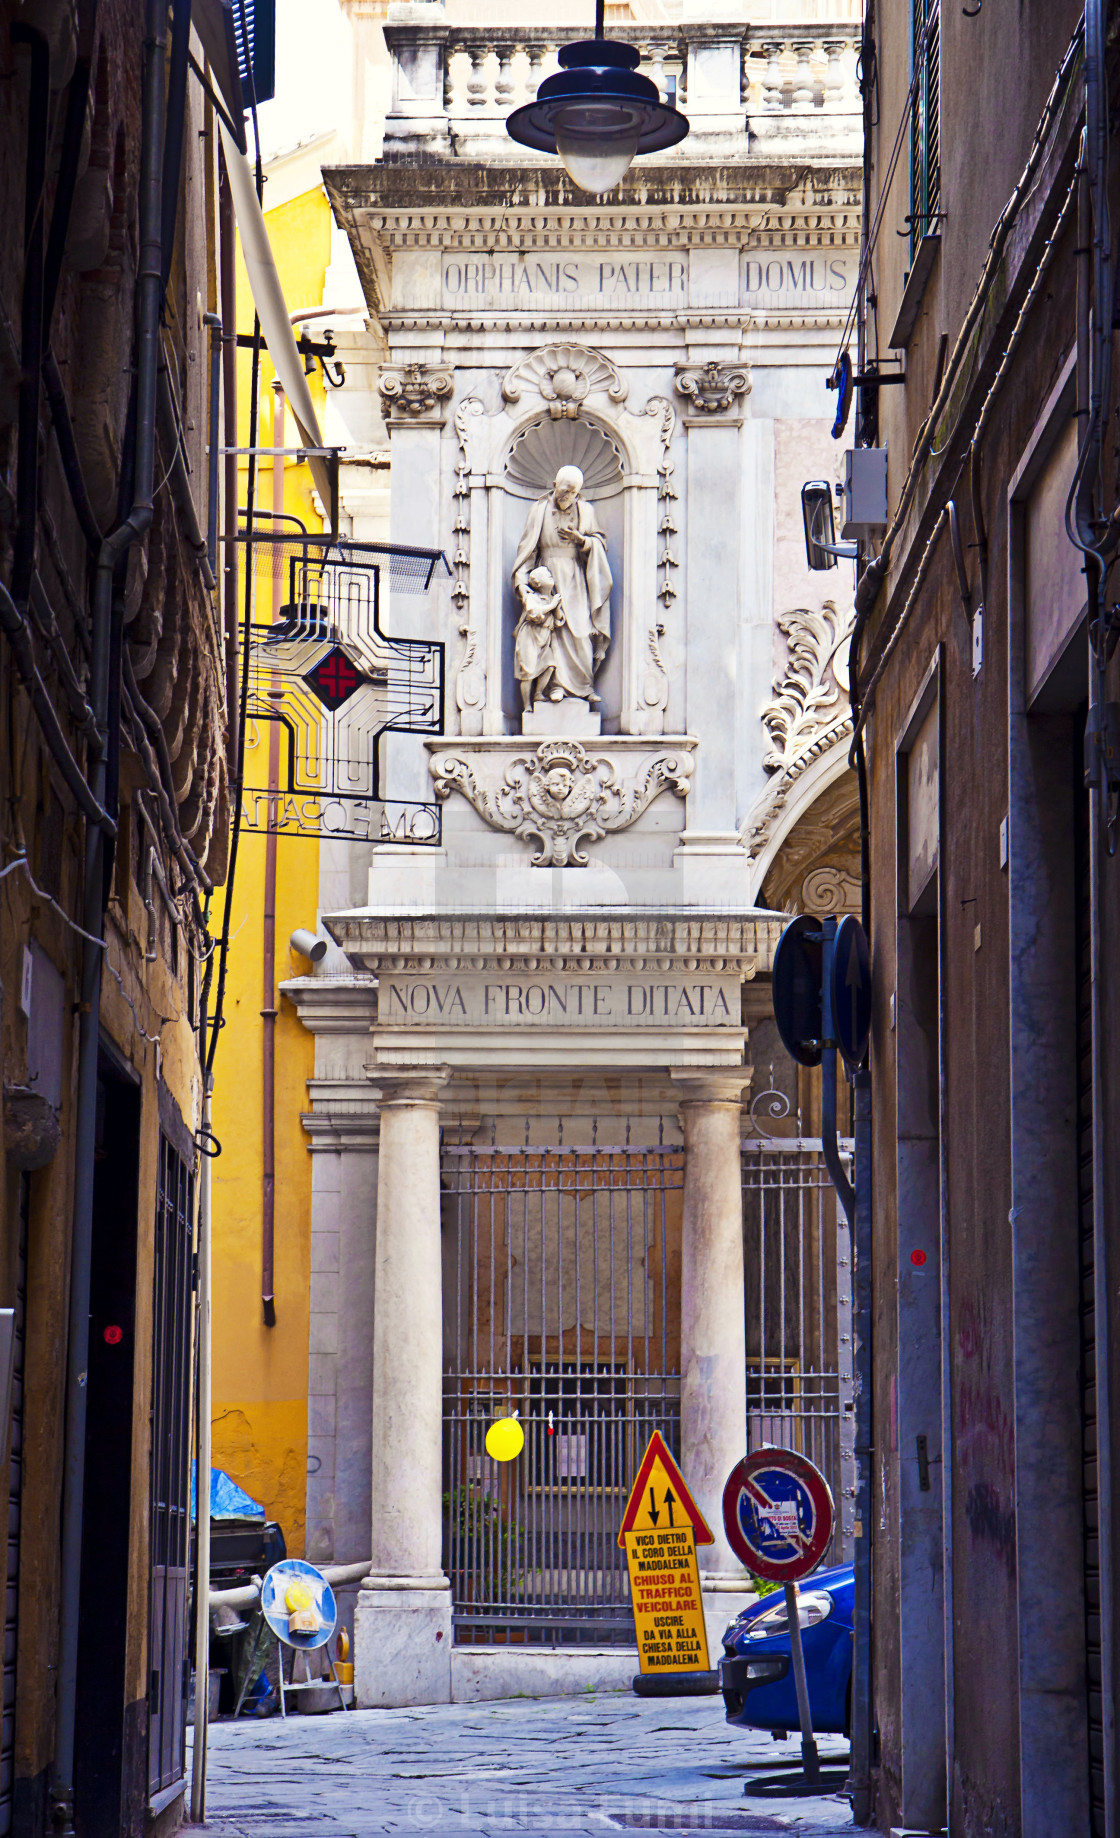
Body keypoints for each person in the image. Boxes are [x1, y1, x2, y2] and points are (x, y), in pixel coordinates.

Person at [512, 465, 612, 705]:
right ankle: (554, 686)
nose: (567, 497)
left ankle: (584, 686)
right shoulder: (539, 511)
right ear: (555, 486)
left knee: (580, 630)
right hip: (547, 577)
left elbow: (600, 543)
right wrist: (522, 584)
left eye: (573, 493)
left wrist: (583, 541)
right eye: (564, 491)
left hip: (577, 577)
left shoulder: (586, 511)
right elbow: (528, 549)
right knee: (551, 633)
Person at [513, 564, 563, 711]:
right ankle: (527, 705)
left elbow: (558, 620)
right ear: (538, 583)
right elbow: (532, 612)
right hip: (529, 637)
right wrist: (551, 606)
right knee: (527, 672)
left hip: (544, 636)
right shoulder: (532, 598)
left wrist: (557, 607)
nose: (551, 576)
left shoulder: (552, 599)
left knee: (550, 664)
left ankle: (538, 693)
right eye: (547, 575)